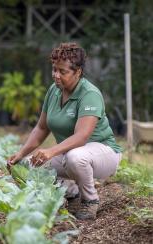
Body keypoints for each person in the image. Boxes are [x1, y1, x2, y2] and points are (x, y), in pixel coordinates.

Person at [8, 42, 122, 220]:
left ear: (78, 72)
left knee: (75, 157)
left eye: (63, 72)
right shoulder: (54, 91)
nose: (56, 76)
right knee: (22, 167)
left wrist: (51, 151)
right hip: (69, 154)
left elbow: (82, 137)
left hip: (102, 154)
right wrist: (20, 154)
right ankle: (71, 193)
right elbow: (41, 127)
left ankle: (90, 201)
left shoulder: (89, 94)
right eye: (54, 69)